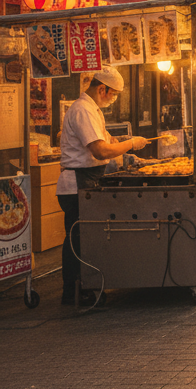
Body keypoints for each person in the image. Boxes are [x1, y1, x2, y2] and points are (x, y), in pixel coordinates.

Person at [56, 68, 150, 305]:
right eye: (114, 94)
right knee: (77, 238)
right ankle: (74, 291)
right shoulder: (83, 110)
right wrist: (131, 143)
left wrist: (116, 142)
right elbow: (100, 151)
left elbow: (106, 142)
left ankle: (84, 286)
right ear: (102, 89)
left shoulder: (93, 110)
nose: (114, 98)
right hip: (77, 182)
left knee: (84, 236)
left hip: (88, 179)